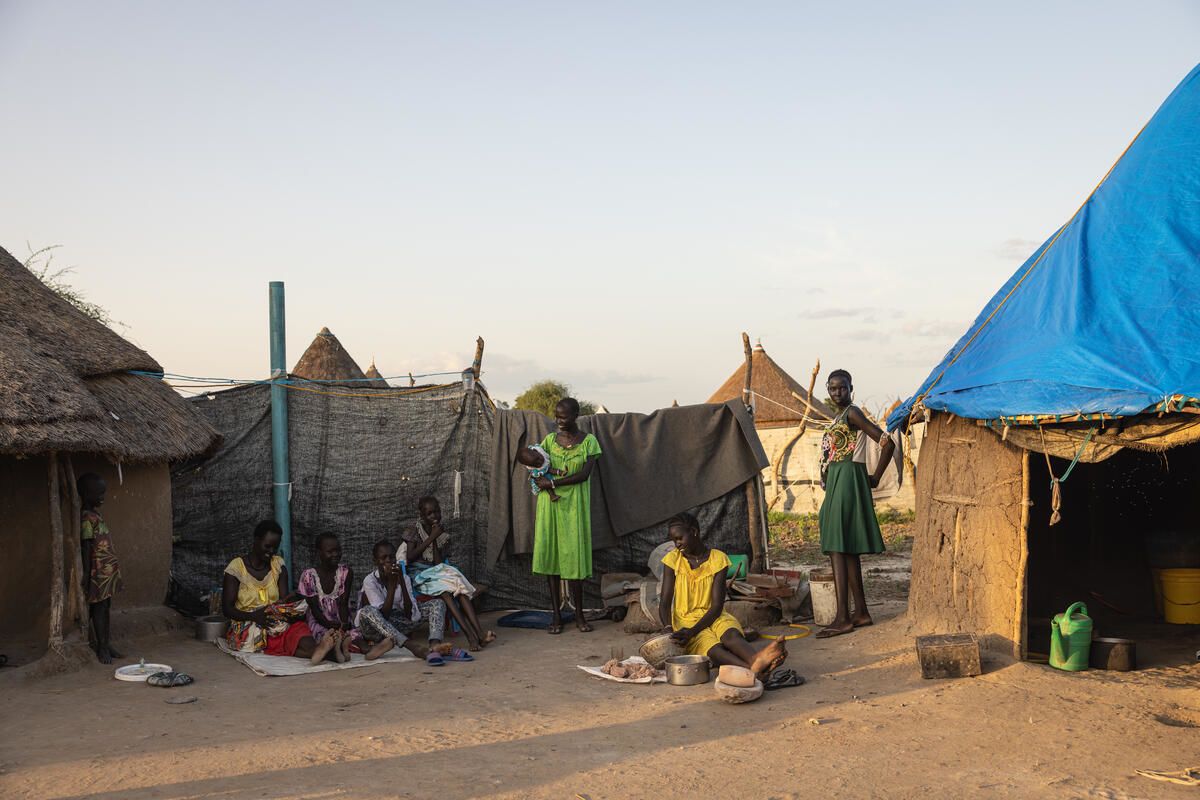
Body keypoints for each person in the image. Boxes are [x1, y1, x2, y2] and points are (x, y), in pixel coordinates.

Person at [815, 369, 896, 638]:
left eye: (842, 388)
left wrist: (875, 477)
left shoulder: (852, 412)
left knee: (837, 545)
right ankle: (860, 612)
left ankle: (842, 617)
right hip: (838, 478)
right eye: (832, 388)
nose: (837, 392)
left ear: (851, 388)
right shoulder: (839, 416)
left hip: (849, 476)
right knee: (845, 547)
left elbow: (887, 442)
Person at [658, 512, 787, 677]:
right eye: (674, 540)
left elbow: (717, 606)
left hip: (714, 615)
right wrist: (669, 628)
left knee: (730, 635)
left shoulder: (718, 559)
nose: (677, 544)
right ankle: (755, 669)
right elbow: (664, 602)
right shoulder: (672, 560)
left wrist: (693, 631)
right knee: (713, 649)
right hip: (686, 620)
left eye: (679, 538)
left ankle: (755, 662)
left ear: (694, 532)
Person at [532, 397, 602, 634]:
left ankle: (580, 615)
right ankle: (556, 615)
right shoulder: (549, 441)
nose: (559, 421)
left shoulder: (589, 442)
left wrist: (552, 484)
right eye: (557, 416)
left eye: (564, 417)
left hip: (574, 508)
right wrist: (540, 479)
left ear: (575, 416)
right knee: (552, 560)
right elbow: (536, 464)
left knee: (574, 561)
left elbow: (584, 475)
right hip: (549, 508)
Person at [222, 520, 329, 662]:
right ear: (256, 540)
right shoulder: (236, 568)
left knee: (298, 629)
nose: (271, 551)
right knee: (274, 635)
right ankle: (329, 652)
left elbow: (283, 600)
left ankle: (322, 649)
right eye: (267, 546)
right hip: (247, 621)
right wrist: (254, 616)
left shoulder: (277, 565)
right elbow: (227, 609)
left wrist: (292, 602)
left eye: (275, 547)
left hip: (274, 619)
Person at [400, 496, 495, 652]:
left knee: (460, 589)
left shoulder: (442, 534)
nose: (434, 516)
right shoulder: (413, 531)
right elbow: (409, 558)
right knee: (445, 591)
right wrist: (432, 537)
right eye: (429, 513)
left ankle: (479, 633)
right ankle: (470, 636)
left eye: (437, 512)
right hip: (419, 575)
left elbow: (437, 564)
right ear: (422, 516)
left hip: (436, 572)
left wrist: (436, 538)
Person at [357, 540, 472, 665]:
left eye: (391, 557)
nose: (388, 560)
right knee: (367, 611)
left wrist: (400, 580)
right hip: (375, 630)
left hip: (398, 623)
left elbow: (409, 614)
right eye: (383, 558)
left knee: (437, 603)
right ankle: (412, 647)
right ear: (375, 561)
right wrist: (391, 585)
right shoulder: (370, 581)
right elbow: (383, 616)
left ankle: (435, 645)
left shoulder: (404, 577)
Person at [78, 473, 123, 664]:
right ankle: (102, 647)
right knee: (98, 608)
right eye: (99, 493)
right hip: (97, 572)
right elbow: (86, 545)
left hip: (105, 571)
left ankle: (105, 643)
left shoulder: (95, 515)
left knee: (105, 607)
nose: (103, 497)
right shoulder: (86, 517)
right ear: (86, 494)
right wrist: (88, 574)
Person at [296, 533, 357, 663]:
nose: (335, 554)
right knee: (324, 634)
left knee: (352, 634)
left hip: (340, 617)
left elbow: (343, 603)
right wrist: (328, 624)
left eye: (338, 550)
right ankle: (339, 647)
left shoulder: (346, 572)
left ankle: (342, 645)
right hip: (320, 619)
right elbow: (314, 608)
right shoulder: (309, 576)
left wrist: (344, 624)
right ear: (319, 553)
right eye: (330, 551)